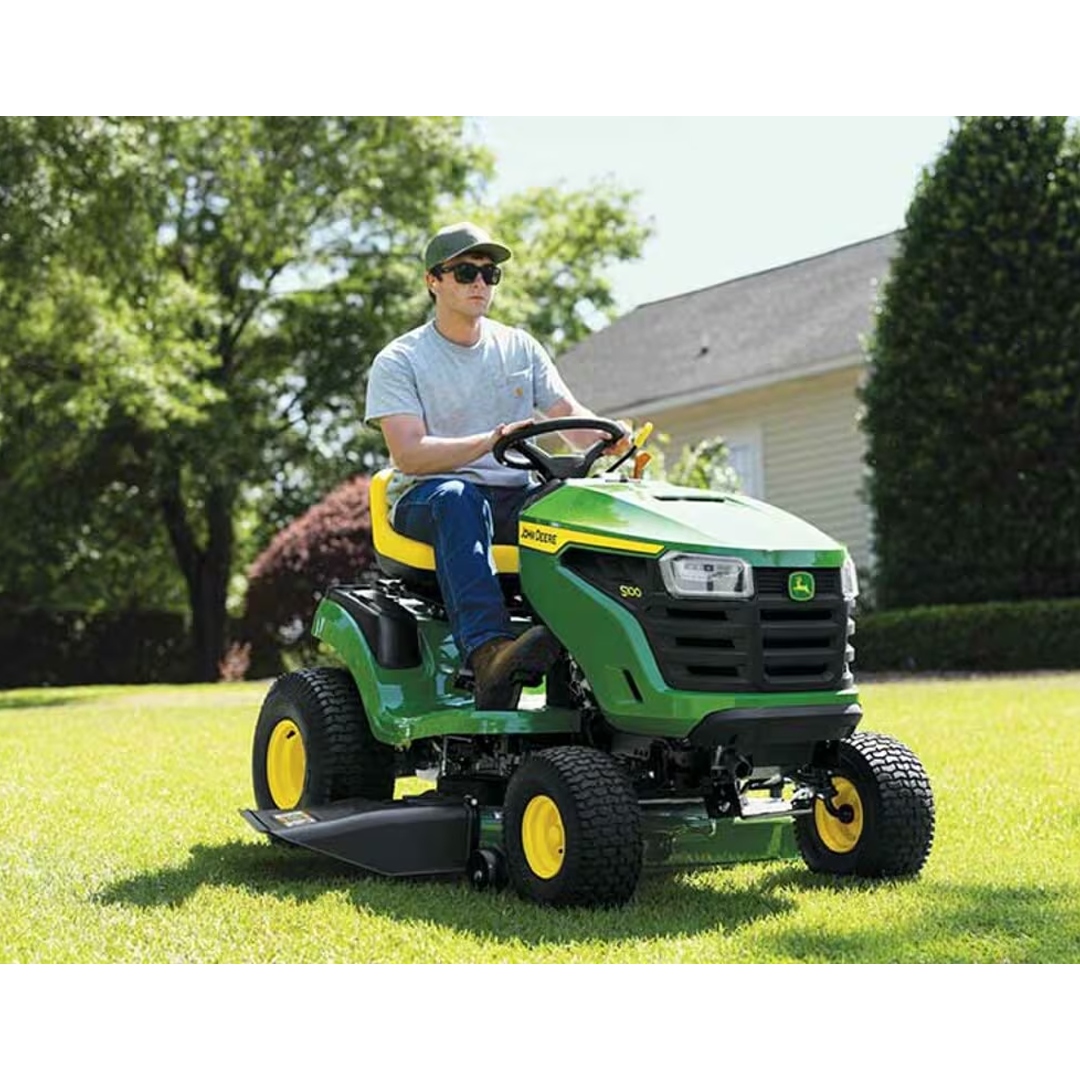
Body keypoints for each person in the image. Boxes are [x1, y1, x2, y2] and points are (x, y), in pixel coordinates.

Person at [364, 221, 629, 710]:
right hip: (426, 497)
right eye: (465, 272)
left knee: (579, 510)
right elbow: (409, 453)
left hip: (510, 497)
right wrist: (488, 442)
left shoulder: (519, 348)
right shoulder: (400, 359)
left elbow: (569, 420)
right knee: (458, 498)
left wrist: (610, 437)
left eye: (490, 274)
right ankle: (487, 654)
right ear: (433, 281)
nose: (480, 284)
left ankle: (598, 667)